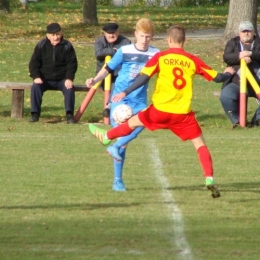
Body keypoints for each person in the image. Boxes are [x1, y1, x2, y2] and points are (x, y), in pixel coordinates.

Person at [88, 25, 236, 198]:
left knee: (132, 122)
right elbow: (217, 77)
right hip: (183, 114)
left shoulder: (161, 56)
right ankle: (209, 178)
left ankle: (107, 137)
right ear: (184, 41)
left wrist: (125, 92)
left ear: (169, 40)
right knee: (200, 145)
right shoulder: (192, 60)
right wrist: (227, 73)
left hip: (160, 110)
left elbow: (143, 78)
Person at [86, 18, 159, 191]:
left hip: (139, 102)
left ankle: (111, 143)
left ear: (152, 37)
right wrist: (95, 79)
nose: (144, 40)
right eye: (142, 36)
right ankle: (117, 180)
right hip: (120, 100)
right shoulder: (125, 50)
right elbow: (108, 69)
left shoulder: (156, 54)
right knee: (123, 142)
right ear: (135, 34)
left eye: (148, 37)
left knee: (148, 121)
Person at [29, 22, 78, 124]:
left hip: (62, 79)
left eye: (58, 34)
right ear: (48, 36)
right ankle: (35, 114)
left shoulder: (67, 46)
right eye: (53, 35)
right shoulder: (41, 45)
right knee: (35, 87)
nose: (56, 37)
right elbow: (34, 63)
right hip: (44, 79)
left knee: (69, 88)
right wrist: (36, 76)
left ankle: (69, 115)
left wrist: (69, 78)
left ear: (61, 33)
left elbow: (72, 63)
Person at [220, 20, 260, 128]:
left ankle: (257, 120)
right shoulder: (232, 43)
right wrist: (241, 56)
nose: (246, 33)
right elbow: (227, 57)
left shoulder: (258, 42)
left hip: (256, 81)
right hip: (236, 81)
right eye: (244, 31)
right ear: (239, 33)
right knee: (226, 97)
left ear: (253, 32)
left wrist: (250, 54)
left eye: (249, 31)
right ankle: (237, 121)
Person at [94, 22, 131, 117]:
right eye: (108, 33)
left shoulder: (126, 42)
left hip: (119, 74)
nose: (111, 35)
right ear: (104, 33)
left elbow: (127, 56)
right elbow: (98, 54)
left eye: (113, 32)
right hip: (102, 75)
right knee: (115, 84)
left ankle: (109, 107)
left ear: (118, 32)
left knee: (117, 83)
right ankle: (110, 107)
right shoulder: (99, 41)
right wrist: (114, 51)